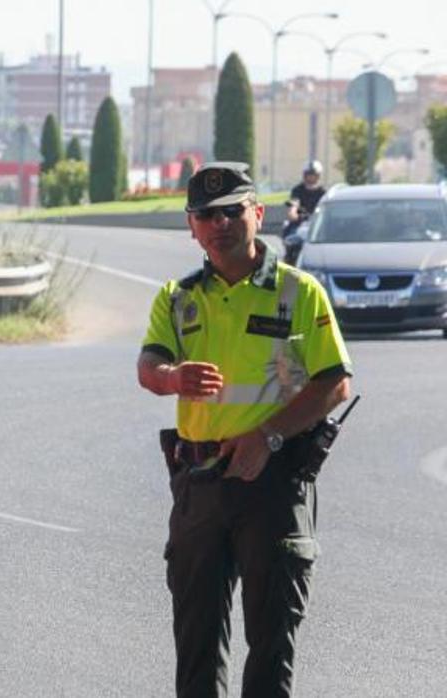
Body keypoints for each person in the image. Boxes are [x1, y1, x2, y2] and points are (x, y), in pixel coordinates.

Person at [136, 162, 353, 697]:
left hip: (272, 483)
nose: (220, 224)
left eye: (232, 211)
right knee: (197, 645)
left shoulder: (299, 293)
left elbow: (334, 384)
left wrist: (268, 437)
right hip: (200, 483)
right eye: (206, 215)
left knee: (272, 642)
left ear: (257, 214)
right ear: (192, 226)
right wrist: (172, 378)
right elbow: (148, 367)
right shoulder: (177, 296)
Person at [285, 160, 325, 232]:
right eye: (308, 175)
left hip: (318, 224)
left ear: (318, 176)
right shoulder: (297, 190)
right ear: (304, 175)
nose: (310, 178)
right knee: (289, 233)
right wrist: (293, 214)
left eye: (313, 175)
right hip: (300, 223)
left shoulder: (323, 192)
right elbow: (294, 204)